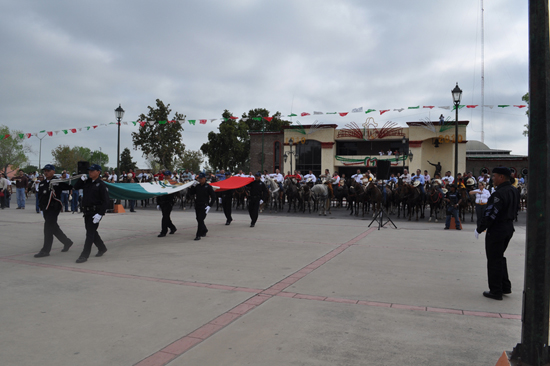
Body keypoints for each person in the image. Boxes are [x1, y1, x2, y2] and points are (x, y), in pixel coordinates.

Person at [475, 167, 519, 300]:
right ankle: (505, 286)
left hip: (497, 228)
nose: (492, 179)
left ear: (501, 177)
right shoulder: (513, 190)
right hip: (509, 227)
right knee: (500, 257)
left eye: (494, 176)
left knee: (494, 259)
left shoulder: (499, 194)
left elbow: (491, 213)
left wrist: (480, 228)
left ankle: (495, 290)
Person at [34, 164, 74, 258]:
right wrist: (40, 208)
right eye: (45, 171)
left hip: (54, 208)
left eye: (48, 170)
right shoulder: (42, 183)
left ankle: (45, 250)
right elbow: (40, 196)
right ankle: (67, 242)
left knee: (47, 228)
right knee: (54, 228)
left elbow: (70, 186)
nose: (46, 172)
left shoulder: (58, 182)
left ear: (53, 171)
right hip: (45, 209)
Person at [73, 164, 110, 263]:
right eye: (89, 171)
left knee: (89, 234)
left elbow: (106, 201)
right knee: (92, 232)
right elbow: (75, 187)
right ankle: (102, 247)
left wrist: (100, 214)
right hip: (87, 212)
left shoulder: (101, 185)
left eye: (92, 171)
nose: (90, 172)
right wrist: (81, 179)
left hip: (95, 212)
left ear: (98, 172)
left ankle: (84, 255)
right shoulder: (87, 182)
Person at [188, 172, 216, 241]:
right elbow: (191, 193)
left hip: (204, 206)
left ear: (205, 178)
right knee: (198, 219)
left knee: (200, 219)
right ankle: (204, 230)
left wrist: (210, 205)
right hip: (197, 205)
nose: (200, 180)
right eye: (199, 178)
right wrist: (192, 186)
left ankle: (198, 235)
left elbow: (214, 197)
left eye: (201, 178)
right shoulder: (197, 186)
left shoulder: (208, 186)